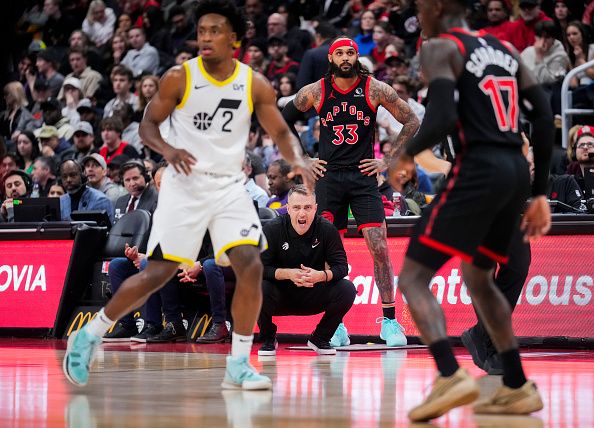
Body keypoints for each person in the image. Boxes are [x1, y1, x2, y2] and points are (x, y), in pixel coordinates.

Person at [63, 0, 313, 390]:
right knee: (158, 273)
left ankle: (238, 364)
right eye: (201, 31)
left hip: (228, 185)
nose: (206, 37)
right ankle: (91, 333)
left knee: (250, 265)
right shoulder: (179, 77)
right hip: (185, 186)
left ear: (235, 37)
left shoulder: (254, 82)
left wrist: (299, 159)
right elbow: (147, 126)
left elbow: (281, 132)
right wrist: (168, 151)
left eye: (215, 30)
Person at [388, 0, 553, 421]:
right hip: (515, 170)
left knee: (412, 277)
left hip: (478, 168)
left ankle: (449, 374)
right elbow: (545, 112)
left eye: (421, 5)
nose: (417, 13)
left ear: (440, 6)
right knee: (479, 277)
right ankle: (516, 385)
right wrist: (539, 193)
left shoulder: (441, 45)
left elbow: (441, 116)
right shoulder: (507, 51)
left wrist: (406, 154)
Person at [283, 36, 420, 346]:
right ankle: (336, 325)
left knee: (380, 248)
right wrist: (303, 158)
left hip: (362, 177)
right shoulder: (316, 90)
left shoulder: (374, 88)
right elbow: (283, 119)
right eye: (340, 53)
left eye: (351, 52)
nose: (346, 57)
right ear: (331, 58)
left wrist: (388, 159)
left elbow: (411, 120)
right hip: (329, 177)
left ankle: (389, 321)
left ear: (357, 56)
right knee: (329, 253)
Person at [257, 185, 356, 355]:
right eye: (296, 208)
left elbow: (342, 267)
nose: (302, 214)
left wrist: (321, 276)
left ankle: (320, 338)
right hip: (281, 295)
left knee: (347, 289)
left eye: (308, 208)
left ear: (315, 208)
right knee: (256, 288)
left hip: (313, 292)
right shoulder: (272, 229)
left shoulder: (326, 229)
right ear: (287, 208)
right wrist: (287, 273)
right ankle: (267, 338)